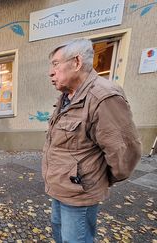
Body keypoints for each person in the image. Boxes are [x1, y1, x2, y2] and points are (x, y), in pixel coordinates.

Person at [42, 38, 141, 243]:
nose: (50, 72)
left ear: (77, 62)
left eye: (56, 64)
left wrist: (96, 179)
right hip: (60, 188)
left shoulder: (103, 96)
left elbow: (125, 153)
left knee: (75, 240)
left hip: (80, 193)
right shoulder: (66, 97)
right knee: (59, 234)